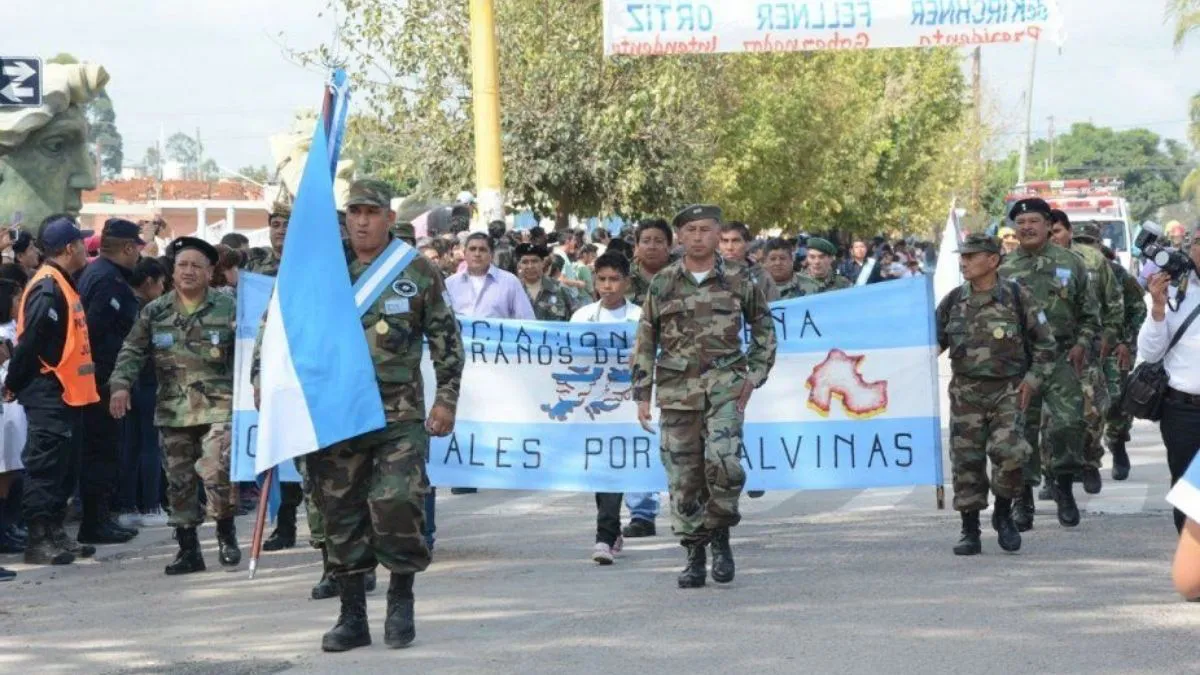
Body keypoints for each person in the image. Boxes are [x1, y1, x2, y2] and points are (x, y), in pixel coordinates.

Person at [303, 178, 463, 652]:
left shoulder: (415, 269)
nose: (361, 220)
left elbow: (445, 339)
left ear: (389, 219)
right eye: (354, 211)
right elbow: (285, 327)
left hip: (398, 413)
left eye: (371, 212)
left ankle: (400, 598)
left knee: (397, 502)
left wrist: (447, 398)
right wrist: (261, 376)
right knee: (341, 513)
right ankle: (352, 617)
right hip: (336, 414)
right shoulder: (325, 271)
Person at [632, 204, 777, 588]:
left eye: (706, 229)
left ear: (718, 235)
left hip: (725, 387)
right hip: (677, 392)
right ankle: (695, 553)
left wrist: (754, 375)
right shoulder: (663, 282)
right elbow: (646, 340)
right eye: (691, 230)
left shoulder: (739, 279)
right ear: (680, 236)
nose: (699, 237)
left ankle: (721, 534)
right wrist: (641, 393)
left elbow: (764, 329)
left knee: (725, 463)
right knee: (684, 477)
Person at [109, 237, 241, 575]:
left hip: (218, 407)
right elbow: (133, 350)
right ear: (173, 271)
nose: (188, 271)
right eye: (182, 264)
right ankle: (188, 550)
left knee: (215, 471)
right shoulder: (156, 311)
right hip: (174, 409)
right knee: (179, 482)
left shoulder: (230, 309)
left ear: (211, 272)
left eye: (197, 265)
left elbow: (252, 351)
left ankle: (226, 532)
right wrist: (120, 386)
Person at [935, 234, 1056, 555]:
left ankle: (1003, 512)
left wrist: (1032, 380)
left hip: (1008, 390)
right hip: (965, 393)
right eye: (962, 256)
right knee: (966, 461)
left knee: (1011, 453)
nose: (964, 262)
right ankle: (969, 528)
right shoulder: (952, 301)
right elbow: (932, 343)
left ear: (992, 260)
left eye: (972, 256)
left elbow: (1046, 343)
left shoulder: (1017, 297)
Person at [999, 198, 1100, 531]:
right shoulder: (1003, 269)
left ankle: (1064, 485)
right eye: (1021, 221)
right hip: (1022, 363)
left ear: (1047, 224)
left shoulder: (1072, 264)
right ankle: (1022, 500)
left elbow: (1090, 315)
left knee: (1068, 424)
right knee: (1021, 430)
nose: (1026, 227)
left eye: (1034, 221)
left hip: (1061, 358)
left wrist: (1083, 344)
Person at [4, 215, 99, 565]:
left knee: (63, 468)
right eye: (82, 245)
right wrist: (13, 382)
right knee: (45, 468)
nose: (85, 251)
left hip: (67, 393)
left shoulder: (62, 281)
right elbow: (31, 344)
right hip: (49, 391)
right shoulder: (48, 286)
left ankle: (56, 532)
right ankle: (39, 540)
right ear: (71, 247)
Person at [572, 252, 653, 564]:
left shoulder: (641, 317)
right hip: (594, 404)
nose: (607, 286)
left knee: (621, 465)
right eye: (602, 279)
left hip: (632, 402)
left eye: (614, 279)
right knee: (603, 469)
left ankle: (608, 534)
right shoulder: (581, 318)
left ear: (627, 283)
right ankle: (608, 532)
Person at [75, 218, 145, 545]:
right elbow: (96, 334)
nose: (139, 256)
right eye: (137, 248)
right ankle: (95, 522)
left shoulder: (106, 275)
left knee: (106, 450)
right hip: (102, 381)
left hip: (105, 380)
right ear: (128, 247)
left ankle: (102, 517)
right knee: (101, 451)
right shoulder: (105, 280)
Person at [1057, 217, 1124, 496]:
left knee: (1092, 412)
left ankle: (1090, 461)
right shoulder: (1020, 264)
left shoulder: (1093, 261)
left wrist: (1110, 338)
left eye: (1057, 230)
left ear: (1066, 232)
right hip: (1043, 355)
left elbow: (1115, 304)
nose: (1052, 236)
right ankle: (1056, 476)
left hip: (1086, 349)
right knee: (1052, 420)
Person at [1138, 235, 1200, 534]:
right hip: (1183, 409)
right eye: (1198, 241)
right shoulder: (1174, 292)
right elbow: (1150, 352)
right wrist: (1159, 309)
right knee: (1188, 488)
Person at [114, 257, 168, 528]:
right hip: (145, 383)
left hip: (129, 385)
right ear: (149, 282)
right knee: (149, 447)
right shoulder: (146, 311)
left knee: (132, 446)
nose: (163, 290)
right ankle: (150, 505)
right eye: (161, 284)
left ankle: (128, 504)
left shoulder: (126, 302)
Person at [1101, 245, 1146, 481]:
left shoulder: (1118, 273)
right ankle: (1075, 464)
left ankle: (1117, 443)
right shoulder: (1066, 270)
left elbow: (1138, 309)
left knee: (1116, 399)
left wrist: (1126, 342)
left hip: (1116, 348)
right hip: (1080, 349)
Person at [0, 277, 28, 575]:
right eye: (16, 297)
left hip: (11, 410)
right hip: (5, 409)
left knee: (10, 471)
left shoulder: (11, 329)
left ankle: (6, 527)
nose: (20, 303)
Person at [515, 243, 577, 321]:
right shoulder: (513, 291)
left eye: (534, 261)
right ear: (519, 265)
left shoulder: (560, 289)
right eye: (525, 262)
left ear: (542, 263)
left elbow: (577, 318)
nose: (530, 266)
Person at [719, 221, 779, 302]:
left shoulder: (762, 277)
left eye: (736, 241)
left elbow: (775, 309)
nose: (729, 247)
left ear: (747, 245)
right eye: (725, 241)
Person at [627, 219, 672, 306]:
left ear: (669, 246)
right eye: (646, 241)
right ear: (637, 245)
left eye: (658, 241)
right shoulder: (622, 275)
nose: (652, 247)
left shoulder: (683, 275)